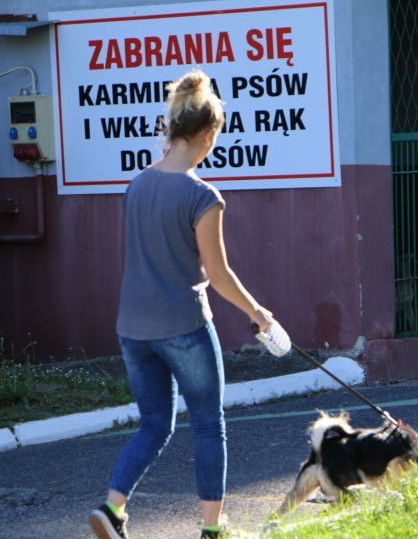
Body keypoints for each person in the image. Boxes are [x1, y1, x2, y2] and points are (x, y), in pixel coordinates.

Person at [89, 69, 273, 539]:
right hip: (184, 327)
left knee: (153, 424)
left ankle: (112, 509)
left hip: (132, 329)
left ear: (170, 128)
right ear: (209, 134)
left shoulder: (137, 185)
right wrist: (258, 314)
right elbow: (218, 275)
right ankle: (213, 530)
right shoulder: (202, 196)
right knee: (209, 425)